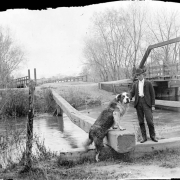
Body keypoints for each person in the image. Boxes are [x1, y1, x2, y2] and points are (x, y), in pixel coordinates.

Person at [129, 68, 158, 143]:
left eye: (139, 75)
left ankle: (153, 136)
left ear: (142, 74)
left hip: (147, 103)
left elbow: (152, 94)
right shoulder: (135, 84)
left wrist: (153, 105)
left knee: (150, 121)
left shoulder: (148, 83)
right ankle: (144, 137)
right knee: (141, 122)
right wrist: (128, 97)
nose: (138, 76)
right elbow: (132, 93)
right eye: (137, 75)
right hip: (138, 103)